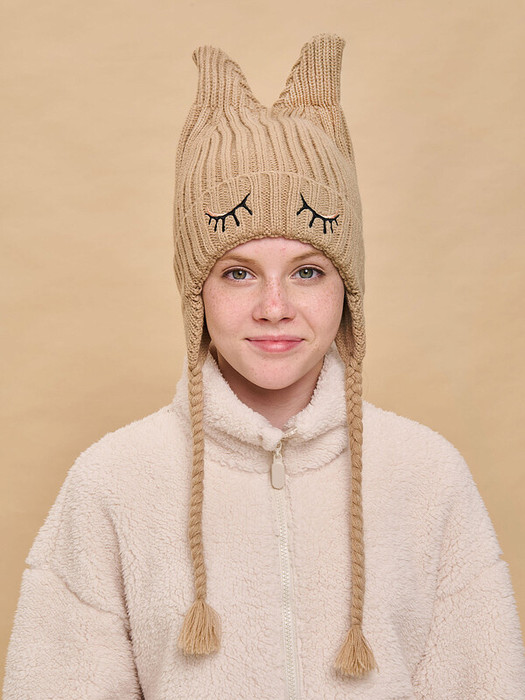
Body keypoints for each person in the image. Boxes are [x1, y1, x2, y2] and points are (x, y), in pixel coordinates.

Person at [4, 34, 525, 699]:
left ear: (347, 291)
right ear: (196, 292)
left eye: (307, 271)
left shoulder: (425, 475)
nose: (274, 307)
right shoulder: (112, 482)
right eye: (238, 272)